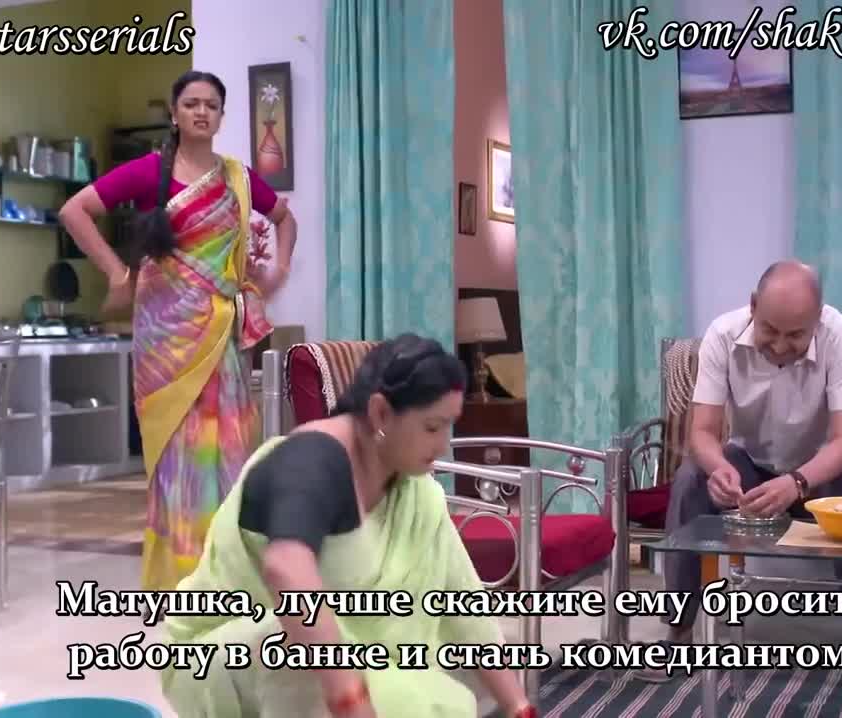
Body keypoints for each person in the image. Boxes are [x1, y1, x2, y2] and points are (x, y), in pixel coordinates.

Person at [159, 334, 537, 718]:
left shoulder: (414, 488)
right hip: (224, 657)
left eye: (448, 427)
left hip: (356, 660)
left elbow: (463, 604)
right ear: (381, 414)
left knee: (456, 686)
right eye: (432, 427)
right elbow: (286, 569)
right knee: (299, 641)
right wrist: (352, 702)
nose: (443, 445)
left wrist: (519, 707)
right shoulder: (309, 460)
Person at [58, 70, 299, 591]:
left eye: (211, 104)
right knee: (176, 453)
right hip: (165, 341)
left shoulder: (237, 178)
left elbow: (285, 219)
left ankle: (228, 570)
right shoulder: (149, 171)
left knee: (227, 445)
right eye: (191, 103)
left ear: (221, 116)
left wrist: (276, 271)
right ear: (174, 114)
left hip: (220, 334)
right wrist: (117, 273)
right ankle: (180, 576)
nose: (201, 112)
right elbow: (75, 211)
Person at [659, 260, 842, 699]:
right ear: (754, 306)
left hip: (822, 468)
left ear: (818, 319)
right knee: (690, 480)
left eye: (795, 336)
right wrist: (719, 469)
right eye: (770, 330)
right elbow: (702, 432)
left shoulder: (838, 335)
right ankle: (679, 632)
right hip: (751, 461)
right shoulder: (722, 334)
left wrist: (796, 482)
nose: (779, 345)